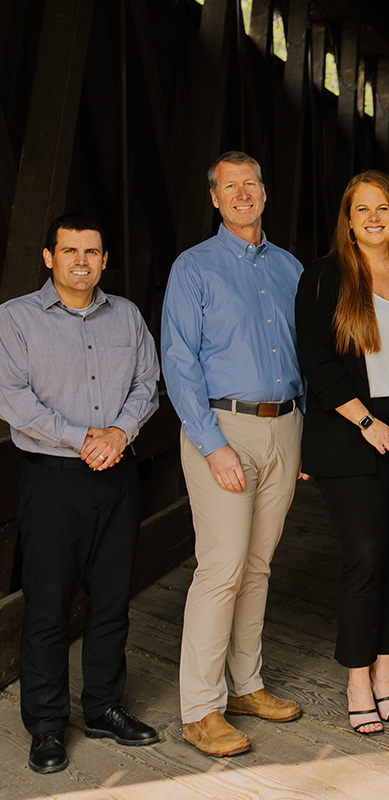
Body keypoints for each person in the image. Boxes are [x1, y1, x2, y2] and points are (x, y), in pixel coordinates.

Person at [0, 214, 160, 773]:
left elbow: (147, 383)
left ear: (104, 260)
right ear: (49, 257)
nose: (82, 261)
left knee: (113, 602)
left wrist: (119, 434)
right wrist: (83, 438)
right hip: (52, 478)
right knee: (47, 607)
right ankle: (45, 726)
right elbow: (13, 399)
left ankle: (103, 708)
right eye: (70, 251)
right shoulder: (14, 319)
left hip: (117, 473)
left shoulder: (128, 316)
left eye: (92, 252)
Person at [162, 151, 305, 757]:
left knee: (258, 566)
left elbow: (312, 356)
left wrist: (303, 438)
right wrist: (212, 443)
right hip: (222, 427)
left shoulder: (292, 268)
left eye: (251, 184)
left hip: (285, 427)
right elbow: (179, 361)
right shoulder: (193, 268)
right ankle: (200, 709)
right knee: (221, 568)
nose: (243, 194)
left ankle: (246, 685)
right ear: (215, 198)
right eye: (230, 186)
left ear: (264, 194)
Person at [296, 170, 389, 737]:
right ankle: (355, 680)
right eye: (361, 209)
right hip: (350, 428)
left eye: (383, 208)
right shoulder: (324, 277)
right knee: (366, 556)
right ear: (347, 220)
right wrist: (367, 422)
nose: (373, 218)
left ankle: (384, 675)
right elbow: (317, 362)